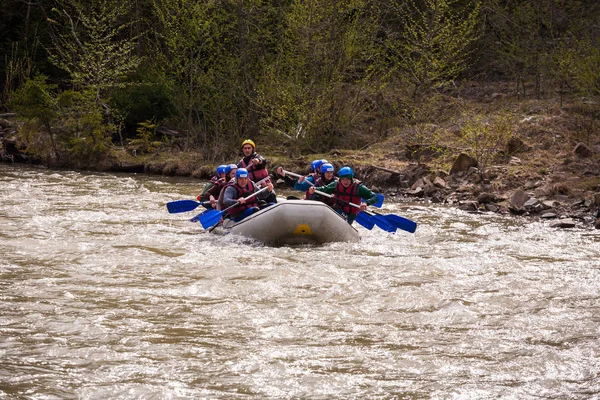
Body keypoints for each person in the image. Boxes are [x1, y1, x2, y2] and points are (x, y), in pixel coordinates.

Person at [308, 166, 379, 225]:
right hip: (338, 209)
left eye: (347, 179)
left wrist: (366, 203)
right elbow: (324, 189)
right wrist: (315, 189)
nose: (345, 182)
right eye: (343, 179)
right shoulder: (336, 184)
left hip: (351, 214)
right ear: (340, 179)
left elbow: (375, 197)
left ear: (351, 178)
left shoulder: (359, 187)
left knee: (341, 218)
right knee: (335, 214)